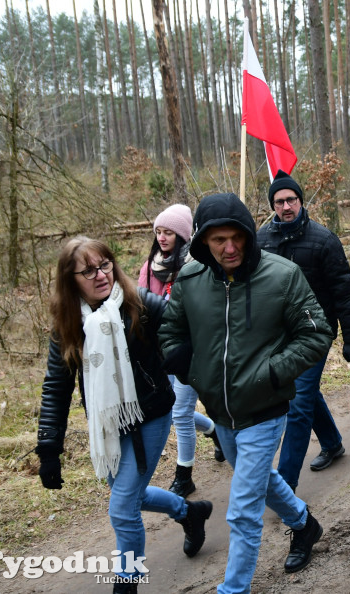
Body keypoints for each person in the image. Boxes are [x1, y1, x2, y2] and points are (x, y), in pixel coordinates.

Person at [159, 193, 334, 592]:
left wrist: (271, 373)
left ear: (248, 236)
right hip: (221, 412)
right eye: (218, 240)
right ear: (203, 242)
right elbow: (170, 331)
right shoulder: (189, 280)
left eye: (236, 237)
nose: (229, 247)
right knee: (258, 480)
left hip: (266, 408)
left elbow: (317, 332)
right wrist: (189, 368)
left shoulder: (282, 275)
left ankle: (232, 588)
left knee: (242, 509)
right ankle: (305, 525)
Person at [38, 237, 212, 592]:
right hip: (108, 423)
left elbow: (183, 336)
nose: (101, 275)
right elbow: (57, 387)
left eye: (105, 265)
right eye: (88, 270)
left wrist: (191, 366)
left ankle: (126, 585)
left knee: (121, 508)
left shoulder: (139, 305)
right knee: (132, 495)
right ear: (69, 279)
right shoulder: (68, 324)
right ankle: (190, 513)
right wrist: (48, 448)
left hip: (150, 412)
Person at [257, 171, 350, 487]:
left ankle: (285, 485)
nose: (286, 206)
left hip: (314, 332)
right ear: (273, 205)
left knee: (297, 403)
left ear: (301, 201)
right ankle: (331, 442)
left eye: (291, 199)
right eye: (280, 201)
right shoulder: (260, 241)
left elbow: (344, 293)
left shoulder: (324, 240)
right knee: (306, 393)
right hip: (278, 336)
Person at [138, 204, 224, 498]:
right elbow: (138, 307)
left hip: (192, 349)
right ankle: (213, 431)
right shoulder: (149, 267)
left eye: (169, 232)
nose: (162, 238)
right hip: (160, 353)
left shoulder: (193, 267)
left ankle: (183, 475)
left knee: (181, 411)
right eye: (158, 232)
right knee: (177, 412)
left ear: (183, 235)